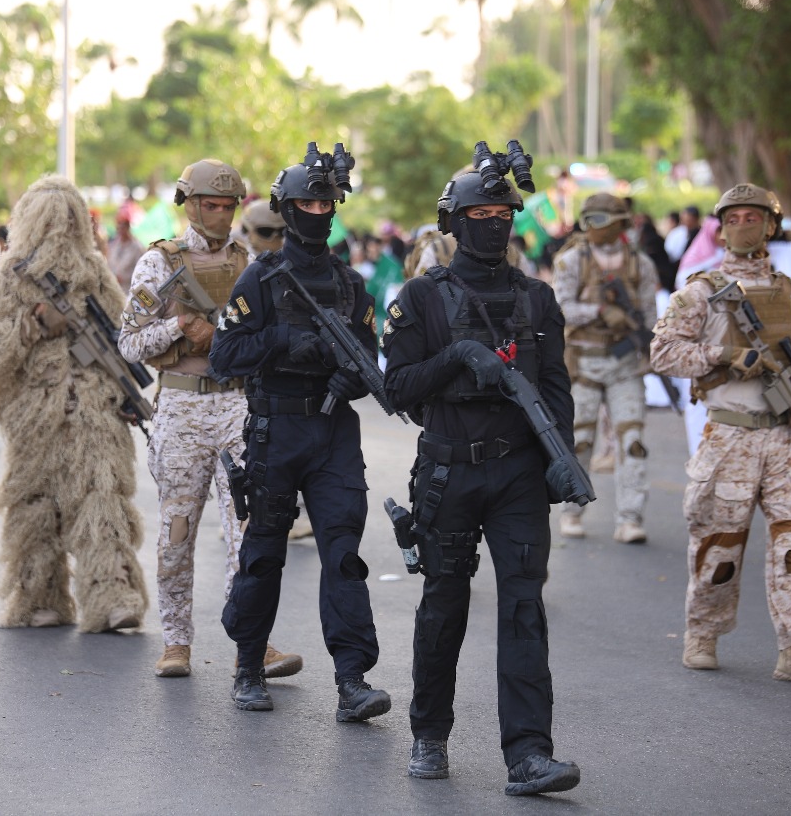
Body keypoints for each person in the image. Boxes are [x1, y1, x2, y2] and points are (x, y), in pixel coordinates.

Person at [383, 146, 580, 797]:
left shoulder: (537, 299)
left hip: (519, 474)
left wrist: (561, 456)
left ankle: (529, 753)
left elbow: (555, 388)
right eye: (480, 214)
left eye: (504, 214)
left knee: (524, 608)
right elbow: (397, 387)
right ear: (454, 221)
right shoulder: (422, 297)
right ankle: (429, 733)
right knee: (444, 605)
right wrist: (460, 355)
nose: (494, 224)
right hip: (449, 472)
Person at [210, 142, 389, 721]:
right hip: (276, 428)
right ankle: (248, 666)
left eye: (325, 205)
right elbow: (224, 356)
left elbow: (368, 360)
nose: (317, 213)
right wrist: (285, 341)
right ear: (287, 210)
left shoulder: (350, 285)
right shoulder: (261, 280)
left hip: (333, 432)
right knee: (263, 551)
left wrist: (348, 374)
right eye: (307, 205)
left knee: (344, 554)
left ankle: (352, 680)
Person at [118, 159, 302, 680]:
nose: (220, 215)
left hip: (239, 406)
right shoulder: (159, 263)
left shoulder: (251, 262)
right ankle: (176, 641)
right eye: (210, 205)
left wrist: (230, 339)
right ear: (190, 205)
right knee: (177, 533)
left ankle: (252, 642)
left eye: (228, 206)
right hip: (182, 409)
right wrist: (179, 327)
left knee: (251, 532)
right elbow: (130, 342)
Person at [650, 183, 791, 686]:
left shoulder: (787, 292)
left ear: (771, 226)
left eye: (752, 217)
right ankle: (702, 635)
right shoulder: (701, 290)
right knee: (720, 547)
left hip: (783, 440)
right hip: (730, 436)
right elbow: (663, 353)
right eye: (731, 219)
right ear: (719, 230)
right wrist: (725, 356)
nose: (741, 226)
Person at [0, 175, 149, 633]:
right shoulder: (11, 280)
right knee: (37, 507)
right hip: (35, 411)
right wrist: (32, 326)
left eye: (68, 219)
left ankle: (113, 595)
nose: (59, 230)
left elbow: (120, 335)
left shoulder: (94, 274)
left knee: (102, 498)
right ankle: (39, 596)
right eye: (49, 220)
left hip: (94, 406)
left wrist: (126, 392)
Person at [551, 193, 656, 543]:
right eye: (589, 220)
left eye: (600, 220)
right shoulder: (572, 261)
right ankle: (572, 511)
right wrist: (598, 311)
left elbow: (650, 316)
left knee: (632, 441)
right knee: (579, 440)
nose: (593, 227)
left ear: (620, 223)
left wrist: (647, 345)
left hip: (625, 364)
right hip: (583, 362)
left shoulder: (639, 264)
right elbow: (560, 308)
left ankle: (630, 518)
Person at [107, 210, 144, 288]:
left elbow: (140, 269)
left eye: (123, 227)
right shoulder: (113, 245)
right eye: (119, 227)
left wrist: (125, 278)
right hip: (114, 286)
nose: (121, 230)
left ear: (128, 227)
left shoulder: (137, 247)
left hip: (129, 286)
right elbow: (109, 263)